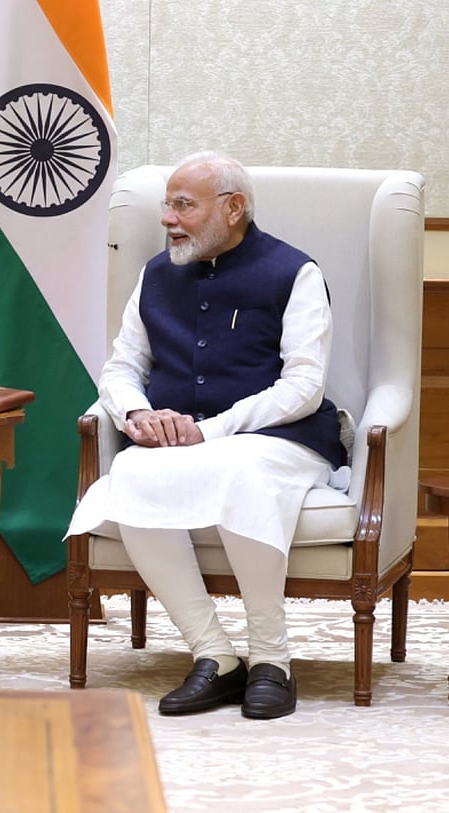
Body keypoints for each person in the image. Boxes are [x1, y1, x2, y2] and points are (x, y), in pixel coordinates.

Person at [67, 152, 346, 719]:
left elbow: (303, 387)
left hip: (281, 439)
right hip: (181, 442)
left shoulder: (295, 272)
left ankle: (272, 660)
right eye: (166, 205)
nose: (167, 218)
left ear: (234, 208)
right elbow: (121, 368)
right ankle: (215, 657)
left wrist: (210, 430)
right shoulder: (154, 273)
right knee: (134, 473)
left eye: (183, 206)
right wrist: (137, 416)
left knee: (238, 471)